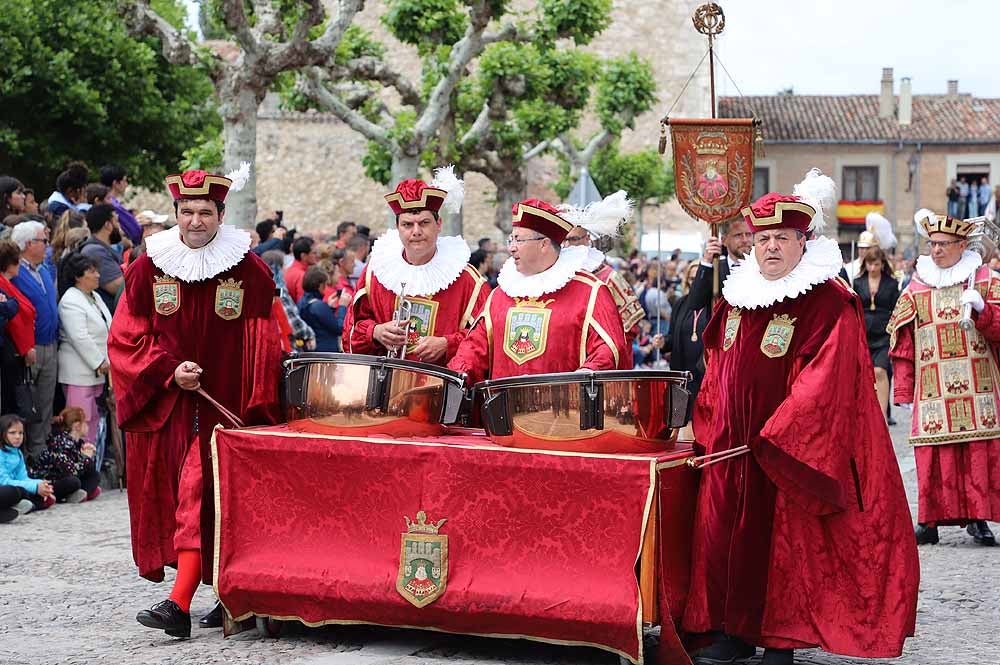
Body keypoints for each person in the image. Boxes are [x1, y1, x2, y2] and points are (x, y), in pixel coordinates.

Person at [685, 191, 919, 665]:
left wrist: (782, 435)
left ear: (803, 241)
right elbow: (717, 363)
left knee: (787, 548)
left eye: (781, 238)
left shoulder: (827, 300)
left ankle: (781, 640)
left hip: (787, 452)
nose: (770, 247)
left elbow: (830, 377)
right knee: (727, 538)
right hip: (733, 453)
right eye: (762, 238)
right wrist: (710, 422)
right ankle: (734, 631)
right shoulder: (737, 297)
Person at [108, 166, 283, 638]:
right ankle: (216, 596)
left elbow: (268, 341)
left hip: (229, 415)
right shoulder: (148, 268)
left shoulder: (249, 271)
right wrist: (169, 371)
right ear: (177, 214)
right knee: (188, 501)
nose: (195, 221)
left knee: (205, 499)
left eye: (206, 212)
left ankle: (181, 603)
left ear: (221, 215)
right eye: (187, 212)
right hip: (172, 412)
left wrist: (257, 407)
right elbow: (126, 339)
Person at [888, 208, 1000, 547]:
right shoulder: (916, 286)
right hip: (933, 389)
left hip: (977, 386)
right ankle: (929, 520)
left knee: (975, 452)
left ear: (962, 245)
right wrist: (904, 389)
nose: (936, 250)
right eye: (933, 244)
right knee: (933, 456)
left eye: (944, 244)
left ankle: (977, 518)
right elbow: (902, 340)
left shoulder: (985, 281)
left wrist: (984, 310)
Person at [448, 198, 624, 383]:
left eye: (519, 239)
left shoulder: (590, 292)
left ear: (544, 244)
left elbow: (608, 350)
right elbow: (474, 348)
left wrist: (577, 383)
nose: (511, 248)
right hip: (502, 409)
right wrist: (456, 377)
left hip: (565, 409)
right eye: (511, 239)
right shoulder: (501, 294)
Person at [344, 168, 489, 365]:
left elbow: (485, 340)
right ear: (398, 228)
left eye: (424, 223)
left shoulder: (468, 281)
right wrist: (375, 332)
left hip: (440, 389)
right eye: (407, 225)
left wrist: (448, 343)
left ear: (439, 224)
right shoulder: (376, 272)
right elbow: (351, 328)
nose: (416, 231)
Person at [560, 190, 644, 368]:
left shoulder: (609, 278)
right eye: (563, 241)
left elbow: (630, 327)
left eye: (573, 239)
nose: (567, 246)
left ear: (587, 238)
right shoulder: (554, 278)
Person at [10, 221, 59, 465]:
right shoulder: (16, 273)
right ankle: (29, 459)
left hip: (50, 345)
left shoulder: (43, 270)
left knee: (45, 405)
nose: (47, 246)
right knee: (29, 405)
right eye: (43, 241)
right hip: (31, 348)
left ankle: (43, 457)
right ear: (29, 244)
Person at [57, 253, 112, 467]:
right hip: (79, 373)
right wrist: (99, 362)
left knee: (94, 422)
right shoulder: (71, 300)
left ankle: (91, 467)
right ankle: (76, 468)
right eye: (92, 272)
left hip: (99, 372)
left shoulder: (94, 296)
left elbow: (107, 328)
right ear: (79, 277)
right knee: (79, 423)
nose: (98, 275)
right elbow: (80, 337)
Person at [853, 246, 899, 421]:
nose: (873, 268)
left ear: (882, 264)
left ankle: (881, 415)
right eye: (870, 264)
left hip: (884, 334)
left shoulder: (891, 283)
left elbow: (896, 308)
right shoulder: (858, 282)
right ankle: (865, 413)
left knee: (880, 371)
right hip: (863, 333)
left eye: (876, 264)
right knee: (865, 374)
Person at [0, 413, 75, 511]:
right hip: (6, 489)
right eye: (12, 433)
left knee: (67, 483)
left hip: (17, 488)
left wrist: (41, 484)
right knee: (14, 491)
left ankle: (25, 504)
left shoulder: (18, 453)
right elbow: (4, 482)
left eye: (21, 433)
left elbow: (23, 478)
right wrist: (35, 487)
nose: (18, 437)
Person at [29, 406, 101, 502]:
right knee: (73, 482)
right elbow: (71, 471)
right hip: (52, 480)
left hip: (69, 476)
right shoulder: (59, 443)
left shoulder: (79, 442)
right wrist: (85, 458)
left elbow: (85, 469)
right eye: (85, 423)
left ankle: (78, 494)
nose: (87, 426)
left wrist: (91, 455)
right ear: (77, 426)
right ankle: (71, 495)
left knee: (95, 475)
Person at [0, 241, 36, 417]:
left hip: (15, 351)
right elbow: (13, 320)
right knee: (9, 404)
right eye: (17, 261)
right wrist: (26, 349)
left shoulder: (9, 285)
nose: (20, 264)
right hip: (11, 352)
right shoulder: (2, 284)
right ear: (9, 265)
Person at [688, 218, 753, 313]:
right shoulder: (715, 269)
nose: (745, 240)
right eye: (738, 235)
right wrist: (706, 261)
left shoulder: (762, 268)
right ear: (724, 240)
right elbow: (695, 303)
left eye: (748, 234)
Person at [666, 261, 708, 402]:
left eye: (698, 278)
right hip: (682, 370)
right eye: (691, 279)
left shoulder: (714, 305)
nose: (695, 283)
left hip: (704, 371)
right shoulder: (681, 303)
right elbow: (671, 338)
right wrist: (661, 342)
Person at [260, 249, 316, 352]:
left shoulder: (260, 288)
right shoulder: (278, 291)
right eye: (283, 266)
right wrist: (309, 334)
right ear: (278, 268)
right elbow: (291, 319)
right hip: (285, 344)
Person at [79, 204, 124, 313]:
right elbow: (119, 288)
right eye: (116, 222)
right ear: (108, 225)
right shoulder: (95, 252)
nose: (120, 227)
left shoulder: (103, 249)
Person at [297, 266, 350, 352]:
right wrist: (342, 306)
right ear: (321, 285)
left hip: (312, 351)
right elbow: (339, 328)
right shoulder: (318, 306)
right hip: (324, 355)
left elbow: (319, 322)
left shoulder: (302, 301)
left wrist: (329, 308)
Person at [99, 164, 142, 244]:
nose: (126, 184)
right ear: (115, 183)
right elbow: (135, 231)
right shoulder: (113, 204)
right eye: (124, 180)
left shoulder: (110, 202)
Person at [284, 236, 317, 304]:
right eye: (314, 253)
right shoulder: (302, 276)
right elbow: (303, 305)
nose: (316, 255)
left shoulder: (287, 270)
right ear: (303, 256)